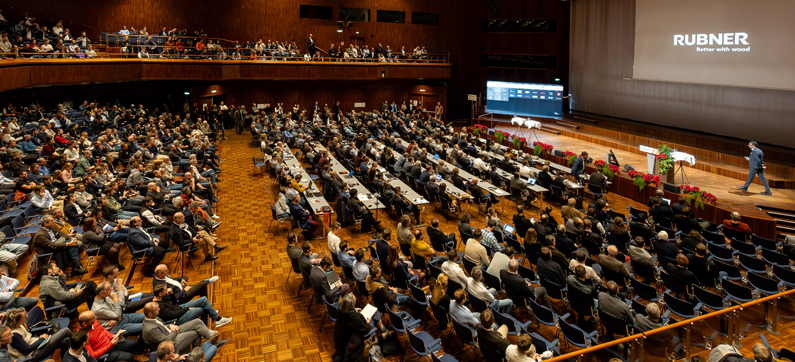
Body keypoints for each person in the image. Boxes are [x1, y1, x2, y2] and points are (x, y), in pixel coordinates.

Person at [141, 302, 229, 354]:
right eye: (157, 310)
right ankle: (198, 354)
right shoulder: (150, 329)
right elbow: (165, 341)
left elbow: (163, 326)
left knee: (197, 322)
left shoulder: (153, 317)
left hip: (171, 332)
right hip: (169, 345)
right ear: (150, 314)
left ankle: (214, 343)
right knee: (195, 334)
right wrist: (174, 329)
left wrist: (170, 325)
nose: (159, 310)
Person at [4, 307, 73, 361]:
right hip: (33, 355)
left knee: (66, 340)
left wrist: (40, 339)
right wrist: (41, 339)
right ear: (16, 321)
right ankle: (79, 344)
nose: (27, 316)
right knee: (65, 331)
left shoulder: (20, 325)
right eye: (24, 316)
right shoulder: (14, 335)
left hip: (37, 345)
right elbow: (27, 349)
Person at [152, 283, 233, 327]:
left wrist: (172, 294)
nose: (168, 290)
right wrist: (187, 309)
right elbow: (173, 315)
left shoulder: (163, 297)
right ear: (160, 294)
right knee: (202, 309)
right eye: (166, 290)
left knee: (203, 299)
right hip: (179, 318)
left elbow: (174, 303)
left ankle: (217, 319)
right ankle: (212, 323)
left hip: (179, 308)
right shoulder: (159, 307)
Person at [153, 264, 218, 305]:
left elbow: (171, 280)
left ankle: (208, 308)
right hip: (181, 297)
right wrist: (184, 290)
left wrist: (180, 279)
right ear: (160, 274)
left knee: (203, 288)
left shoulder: (160, 276)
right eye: (166, 270)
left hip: (182, 288)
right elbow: (173, 298)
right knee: (202, 285)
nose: (168, 271)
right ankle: (208, 281)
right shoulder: (160, 287)